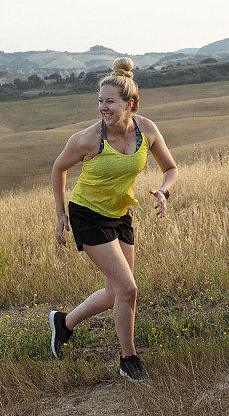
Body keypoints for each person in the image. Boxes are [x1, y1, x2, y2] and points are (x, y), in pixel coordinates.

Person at [49, 57, 178, 382]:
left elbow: (171, 169)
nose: (102, 108)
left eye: (109, 102)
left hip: (120, 213)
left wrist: (164, 191)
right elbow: (58, 168)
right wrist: (60, 213)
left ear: (130, 103)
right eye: (100, 101)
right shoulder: (88, 138)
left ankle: (63, 324)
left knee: (116, 291)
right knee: (128, 289)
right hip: (87, 215)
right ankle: (128, 359)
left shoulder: (146, 129)